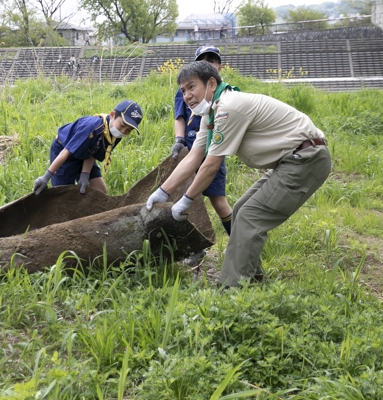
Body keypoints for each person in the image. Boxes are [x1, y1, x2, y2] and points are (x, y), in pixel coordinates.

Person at [146, 61, 331, 288]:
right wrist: (163, 192)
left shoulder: (228, 107)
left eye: (191, 87)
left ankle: (232, 290)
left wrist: (186, 200)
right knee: (241, 210)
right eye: (183, 90)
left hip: (307, 159)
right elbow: (194, 157)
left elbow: (211, 165)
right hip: (290, 161)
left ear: (211, 83)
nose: (186, 95)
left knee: (249, 217)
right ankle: (252, 279)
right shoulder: (210, 114)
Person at [171, 45, 233, 265]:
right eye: (203, 60)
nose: (208, 63)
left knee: (218, 201)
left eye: (212, 60)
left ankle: (238, 240)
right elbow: (179, 117)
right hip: (190, 150)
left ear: (219, 67)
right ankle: (195, 247)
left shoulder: (225, 96)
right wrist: (179, 140)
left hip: (213, 150)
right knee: (190, 200)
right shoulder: (187, 90)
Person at [33, 100, 143, 195]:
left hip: (85, 154)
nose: (123, 131)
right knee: (63, 195)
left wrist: (85, 175)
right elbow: (65, 153)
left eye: (129, 130)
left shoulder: (115, 134)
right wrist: (46, 177)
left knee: (100, 190)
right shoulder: (92, 128)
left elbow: (93, 152)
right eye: (123, 125)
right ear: (112, 115)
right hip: (64, 152)